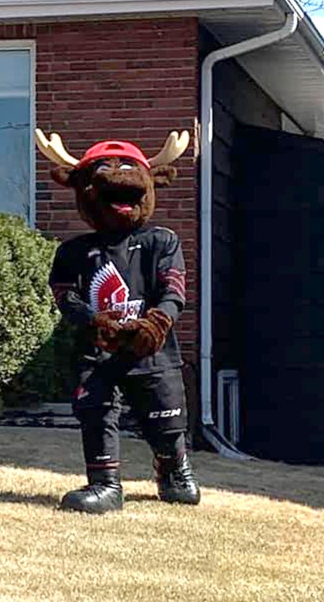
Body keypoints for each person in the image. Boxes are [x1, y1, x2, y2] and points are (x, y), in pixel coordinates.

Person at [36, 127, 200, 513]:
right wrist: (95, 322)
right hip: (98, 353)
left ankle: (173, 468)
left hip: (152, 352)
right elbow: (65, 295)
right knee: (96, 412)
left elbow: (174, 290)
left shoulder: (163, 240)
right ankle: (105, 483)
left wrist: (156, 325)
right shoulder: (74, 251)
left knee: (166, 413)